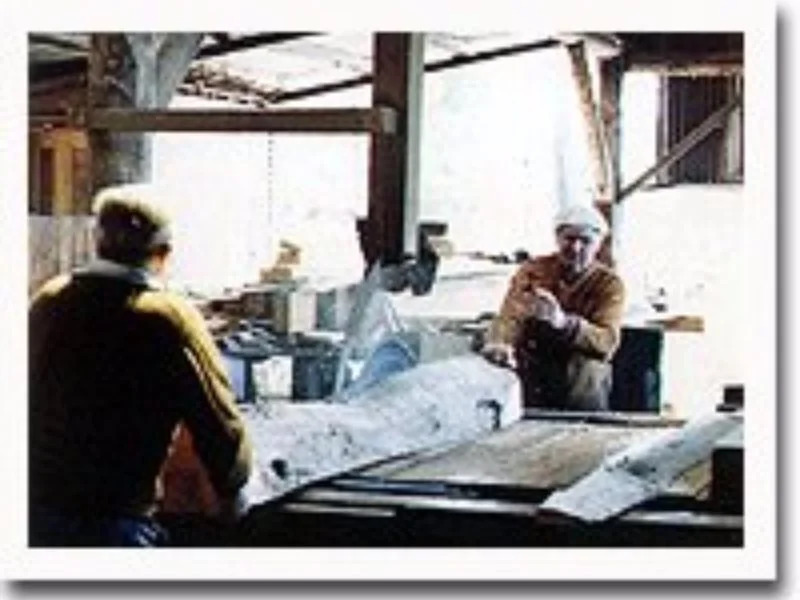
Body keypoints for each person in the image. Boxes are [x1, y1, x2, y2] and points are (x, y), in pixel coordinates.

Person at [29, 184, 254, 546]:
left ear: (97, 243)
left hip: (32, 515)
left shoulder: (48, 301)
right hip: (115, 520)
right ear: (163, 254)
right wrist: (232, 485)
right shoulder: (167, 316)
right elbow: (216, 417)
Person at [483, 203, 625, 411]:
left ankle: (583, 427)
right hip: (535, 359)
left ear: (598, 245)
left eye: (585, 241)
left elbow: (607, 342)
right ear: (557, 238)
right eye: (569, 239)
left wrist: (563, 323)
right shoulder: (534, 271)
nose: (576, 248)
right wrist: (500, 343)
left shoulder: (609, 284)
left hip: (575, 367)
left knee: (591, 369)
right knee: (494, 361)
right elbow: (510, 315)